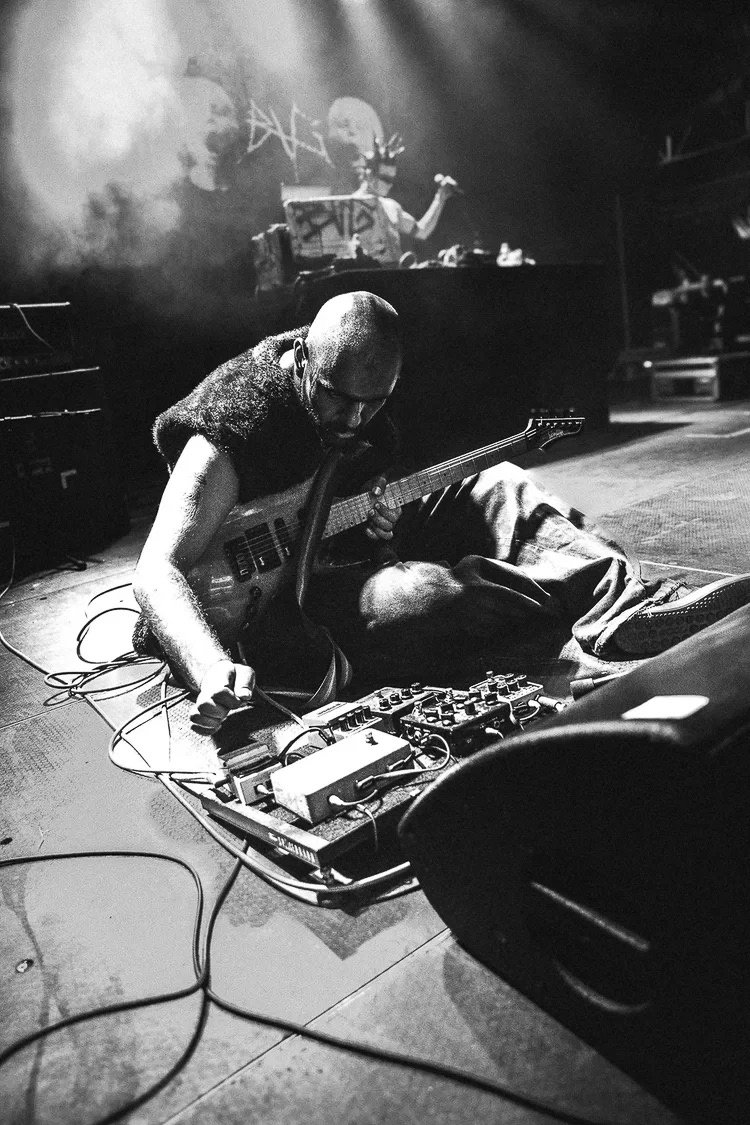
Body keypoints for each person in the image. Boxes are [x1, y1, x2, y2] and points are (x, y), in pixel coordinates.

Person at [133, 290, 750, 734]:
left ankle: (624, 609)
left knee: (501, 483)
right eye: (337, 399)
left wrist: (374, 523)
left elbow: (357, 494)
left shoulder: (361, 396)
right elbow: (158, 569)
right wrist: (209, 666)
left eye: (372, 404)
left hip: (332, 548)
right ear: (303, 361)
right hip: (275, 605)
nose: (353, 419)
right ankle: (548, 606)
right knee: (427, 597)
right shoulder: (234, 422)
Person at [352, 136, 459, 259]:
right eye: (386, 179)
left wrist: (440, 197)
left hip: (391, 269)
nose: (390, 184)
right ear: (370, 175)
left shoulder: (391, 207)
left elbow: (422, 231)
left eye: (392, 179)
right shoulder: (347, 206)